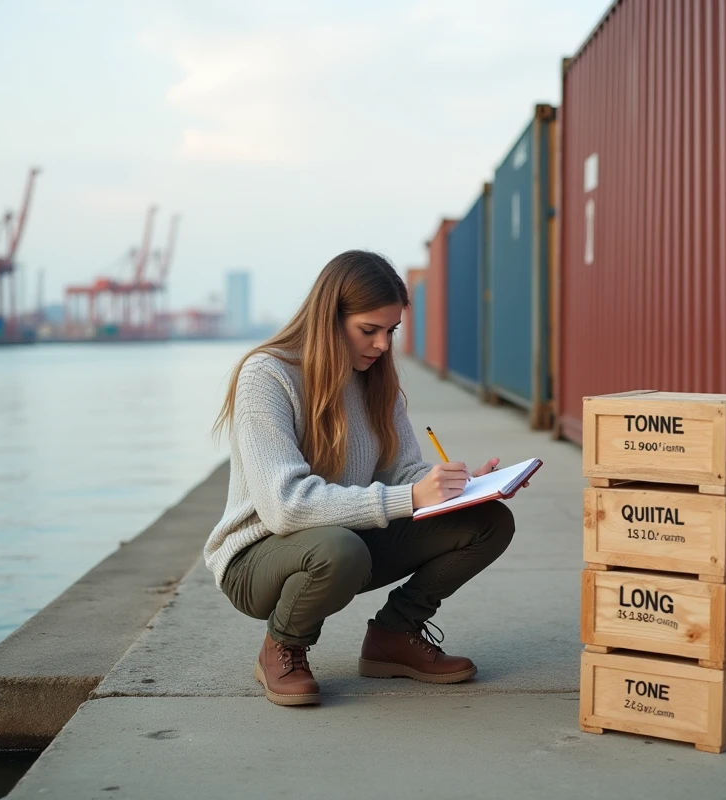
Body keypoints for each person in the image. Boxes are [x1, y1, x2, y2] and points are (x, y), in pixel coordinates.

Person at [206, 250, 516, 706]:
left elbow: (404, 472)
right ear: (328, 319)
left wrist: (460, 487)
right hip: (259, 556)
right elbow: (285, 505)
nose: (382, 345)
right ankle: (284, 644)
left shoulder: (376, 379)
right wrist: (411, 496)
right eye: (368, 330)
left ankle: (394, 635)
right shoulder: (268, 375)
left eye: (390, 331)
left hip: (344, 538)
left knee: (488, 521)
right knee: (339, 548)